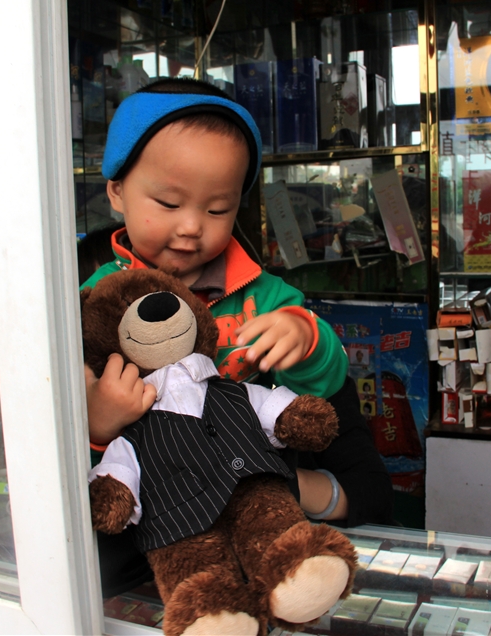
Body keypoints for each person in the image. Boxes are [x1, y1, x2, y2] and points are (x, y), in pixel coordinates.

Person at [79, 77, 392, 597]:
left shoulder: (264, 296)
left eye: (217, 209)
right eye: (168, 202)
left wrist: (307, 339)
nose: (191, 227)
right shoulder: (95, 304)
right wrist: (97, 421)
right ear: (116, 190)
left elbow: (331, 401)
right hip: (159, 523)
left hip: (254, 495)